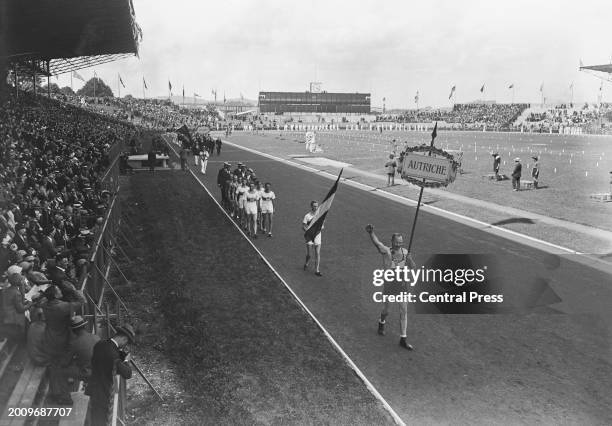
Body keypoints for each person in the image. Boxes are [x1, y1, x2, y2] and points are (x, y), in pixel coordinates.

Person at [365, 224, 415, 350]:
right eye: (397, 242)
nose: (399, 244)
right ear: (392, 242)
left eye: (401, 242)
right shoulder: (386, 251)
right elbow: (377, 243)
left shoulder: (405, 252)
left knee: (404, 311)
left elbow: (413, 267)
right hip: (390, 284)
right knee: (386, 310)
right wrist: (371, 233)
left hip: (402, 284)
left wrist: (410, 260)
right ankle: (381, 322)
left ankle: (403, 339)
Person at [87, 324, 134, 426]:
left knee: (95, 417)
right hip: (103, 392)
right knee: (101, 421)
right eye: (126, 343)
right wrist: (126, 361)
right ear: (124, 339)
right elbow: (127, 373)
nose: (124, 346)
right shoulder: (112, 353)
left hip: (94, 387)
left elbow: (107, 358)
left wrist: (121, 354)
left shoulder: (100, 344)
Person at [302, 201, 322, 277]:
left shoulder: (320, 216)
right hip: (309, 237)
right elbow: (303, 226)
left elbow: (322, 227)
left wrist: (317, 230)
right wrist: (308, 231)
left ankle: (317, 270)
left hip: (317, 236)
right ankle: (306, 263)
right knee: (309, 254)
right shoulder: (307, 216)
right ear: (311, 206)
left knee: (317, 253)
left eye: (317, 206)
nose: (316, 207)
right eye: (314, 206)